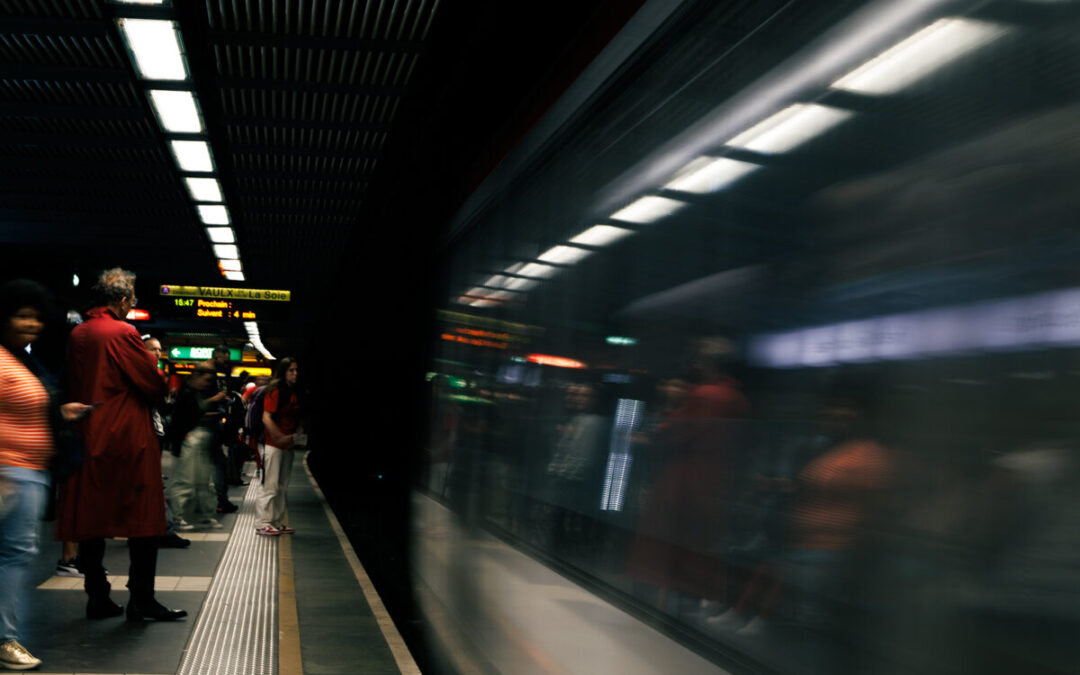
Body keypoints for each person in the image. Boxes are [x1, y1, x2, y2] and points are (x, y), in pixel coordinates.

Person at [55, 268, 187, 622]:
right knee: (143, 519)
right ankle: (141, 599)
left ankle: (97, 597)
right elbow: (152, 383)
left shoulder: (79, 332)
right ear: (124, 299)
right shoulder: (123, 332)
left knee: (91, 520)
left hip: (87, 432)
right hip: (127, 437)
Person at [0, 279, 93, 669]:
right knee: (14, 556)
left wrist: (60, 412)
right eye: (22, 316)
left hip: (29, 472)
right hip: (9, 472)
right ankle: (4, 641)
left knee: (15, 555)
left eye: (36, 318)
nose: (31, 324)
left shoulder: (23, 359)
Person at [143, 336, 190, 549]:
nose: (157, 353)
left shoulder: (156, 375)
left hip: (153, 436)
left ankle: (150, 529)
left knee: (147, 487)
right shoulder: (144, 375)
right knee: (152, 486)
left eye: (159, 350)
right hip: (142, 439)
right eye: (153, 349)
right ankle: (164, 529)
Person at [168, 365, 225, 531]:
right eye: (206, 380)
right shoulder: (186, 393)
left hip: (199, 439)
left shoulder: (196, 392)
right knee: (185, 480)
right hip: (189, 440)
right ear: (196, 377)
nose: (208, 384)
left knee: (203, 481)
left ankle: (206, 515)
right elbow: (183, 417)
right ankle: (178, 517)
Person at [254, 357, 302, 536]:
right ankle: (263, 522)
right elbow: (266, 417)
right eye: (291, 370)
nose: (295, 373)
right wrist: (279, 437)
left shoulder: (293, 392)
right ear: (283, 372)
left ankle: (275, 520)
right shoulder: (275, 392)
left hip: (287, 444)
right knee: (270, 484)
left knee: (282, 485)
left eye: (296, 370)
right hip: (272, 443)